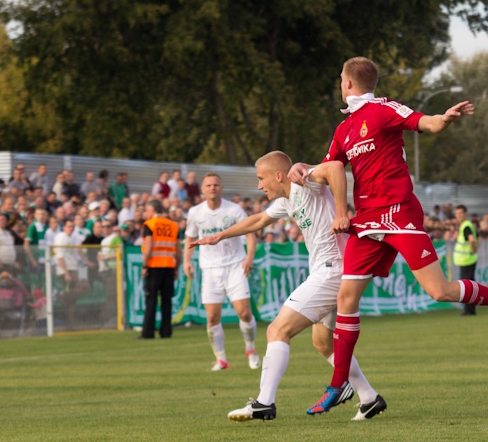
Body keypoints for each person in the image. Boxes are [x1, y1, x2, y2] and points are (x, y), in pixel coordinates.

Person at [288, 56, 488, 415]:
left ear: (346, 84)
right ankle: (337, 384)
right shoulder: (343, 129)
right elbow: (331, 168)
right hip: (367, 223)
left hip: (398, 214)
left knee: (439, 291)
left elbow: (425, 122)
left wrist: (444, 119)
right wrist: (305, 168)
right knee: (347, 299)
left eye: (341, 82)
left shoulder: (382, 109)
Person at [191, 152, 385, 422]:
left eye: (261, 178)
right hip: (333, 272)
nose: (259, 186)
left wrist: (341, 213)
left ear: (278, 175)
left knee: (277, 330)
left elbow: (336, 167)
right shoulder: (286, 200)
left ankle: (264, 402)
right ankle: (369, 397)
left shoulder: (304, 182)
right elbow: (258, 220)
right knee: (322, 344)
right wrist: (219, 236)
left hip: (331, 272)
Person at [183, 173, 259, 370]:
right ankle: (221, 359)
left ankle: (250, 348)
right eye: (208, 185)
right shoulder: (195, 213)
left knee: (243, 313)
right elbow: (190, 238)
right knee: (212, 318)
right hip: (209, 269)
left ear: (221, 188)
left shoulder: (233, 210)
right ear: (202, 189)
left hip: (235, 266)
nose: (212, 188)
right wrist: (186, 261)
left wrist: (249, 258)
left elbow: (251, 234)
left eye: (215, 185)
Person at [136, 200, 180, 339]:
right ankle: (166, 332)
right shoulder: (173, 225)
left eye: (147, 210)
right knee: (166, 302)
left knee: (151, 300)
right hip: (169, 267)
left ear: (153, 209)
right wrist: (176, 269)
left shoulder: (150, 224)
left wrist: (145, 265)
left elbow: (148, 248)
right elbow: (179, 252)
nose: (146, 213)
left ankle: (148, 333)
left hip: (154, 267)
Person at [53, 219, 91, 327]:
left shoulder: (70, 238)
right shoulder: (61, 237)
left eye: (72, 226)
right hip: (67, 270)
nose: (71, 228)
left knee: (71, 301)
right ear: (63, 227)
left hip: (72, 268)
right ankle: (62, 296)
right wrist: (65, 272)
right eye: (69, 226)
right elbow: (59, 255)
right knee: (85, 286)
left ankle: (70, 323)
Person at [453, 205, 479, 316]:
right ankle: (471, 309)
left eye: (460, 213)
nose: (458, 216)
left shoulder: (466, 226)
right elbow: (478, 237)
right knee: (470, 285)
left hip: (467, 260)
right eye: (457, 213)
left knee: (467, 287)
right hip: (468, 260)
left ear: (465, 213)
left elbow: (472, 239)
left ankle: (469, 310)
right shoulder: (467, 225)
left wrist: (473, 250)